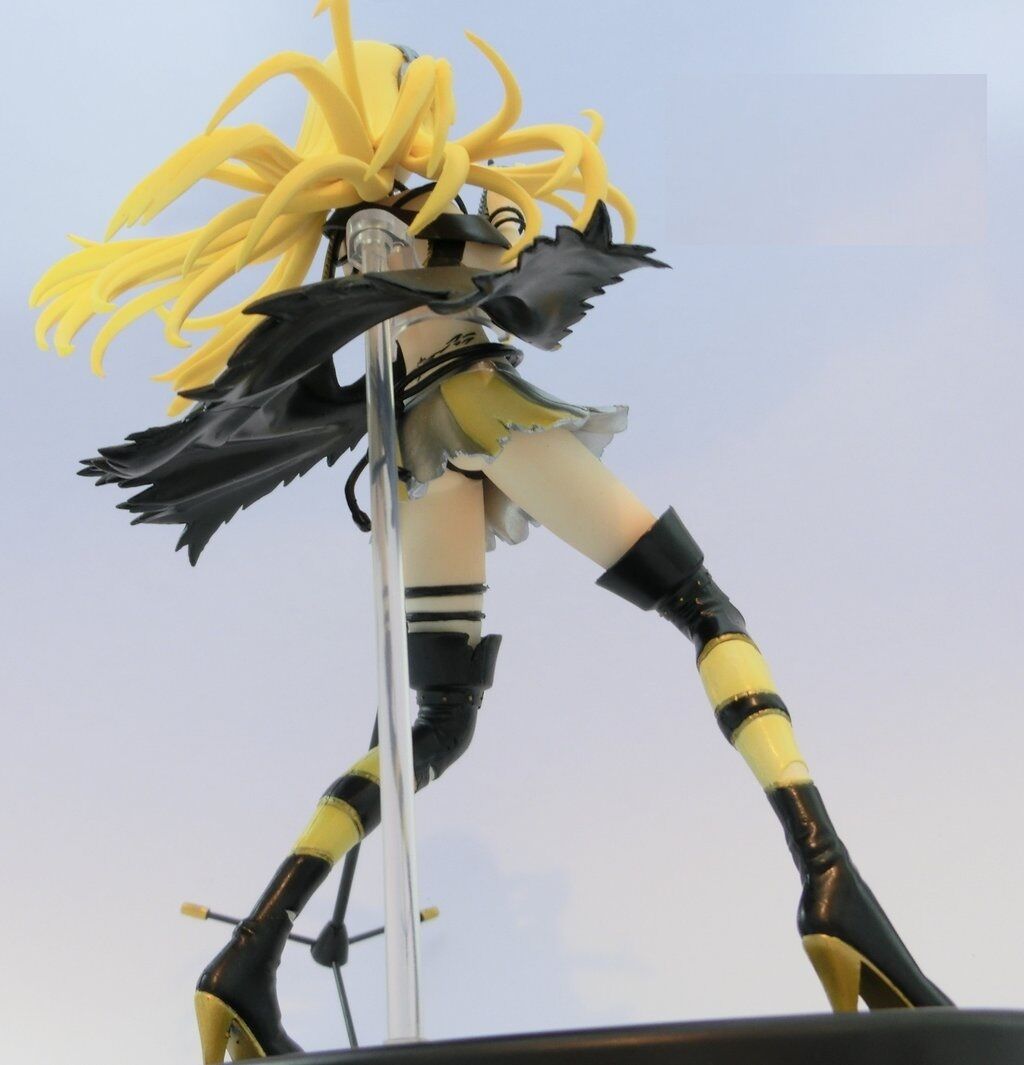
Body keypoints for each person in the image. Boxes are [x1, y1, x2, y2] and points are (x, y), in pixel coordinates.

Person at [32, 2, 951, 1060]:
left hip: (417, 456)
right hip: (480, 411)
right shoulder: (432, 208)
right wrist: (503, 227)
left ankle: (251, 950)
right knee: (704, 609)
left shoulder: (348, 236)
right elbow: (500, 281)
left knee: (437, 724)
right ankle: (830, 879)